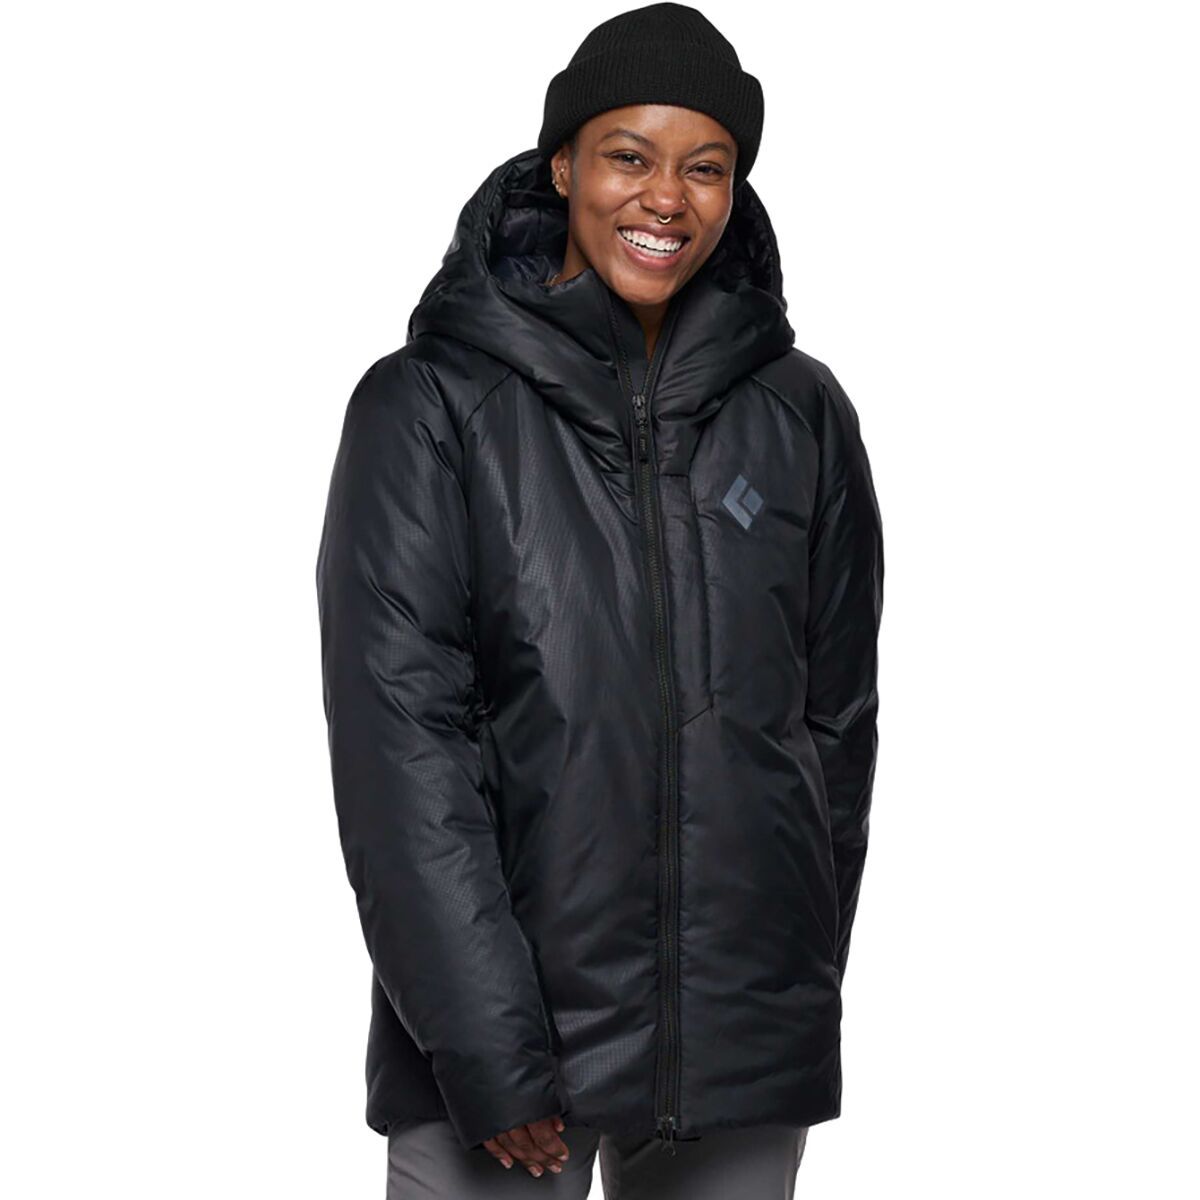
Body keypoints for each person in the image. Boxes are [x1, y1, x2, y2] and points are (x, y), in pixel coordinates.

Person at [315, 4, 885, 1196]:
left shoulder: (802, 414)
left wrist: (784, 994)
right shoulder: (429, 408)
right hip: (498, 1056)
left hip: (737, 1049)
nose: (665, 199)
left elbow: (834, 734)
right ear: (563, 164)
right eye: (629, 155)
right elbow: (401, 754)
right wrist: (485, 1049)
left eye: (706, 167)